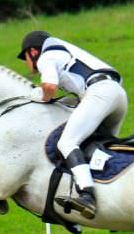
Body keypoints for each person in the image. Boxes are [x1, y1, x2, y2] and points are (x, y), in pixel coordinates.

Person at [17, 30, 127, 219]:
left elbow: (49, 87)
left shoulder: (46, 57)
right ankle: (118, 202)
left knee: (67, 143)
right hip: (118, 95)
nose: (27, 64)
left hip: (99, 92)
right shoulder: (65, 51)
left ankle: (87, 197)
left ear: (33, 52)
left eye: (25, 57)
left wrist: (42, 98)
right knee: (100, 152)